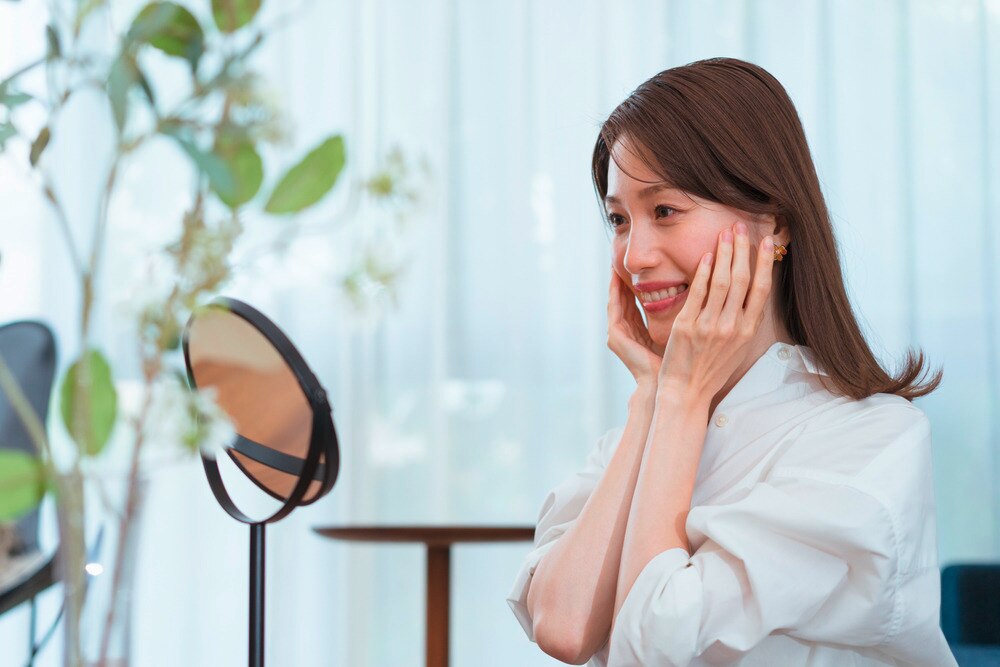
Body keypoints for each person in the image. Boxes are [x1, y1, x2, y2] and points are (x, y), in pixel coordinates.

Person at [506, 57, 957, 666]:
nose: (634, 256)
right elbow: (560, 627)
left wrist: (683, 397)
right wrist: (656, 401)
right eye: (618, 220)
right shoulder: (639, 433)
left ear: (772, 224)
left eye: (664, 210)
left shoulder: (872, 440)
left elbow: (655, 642)